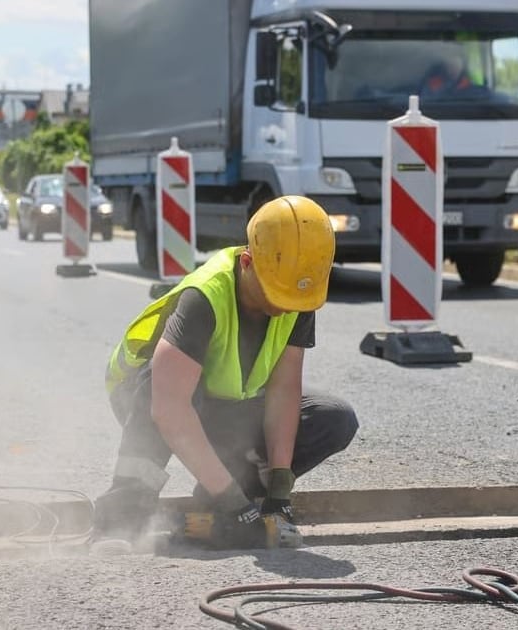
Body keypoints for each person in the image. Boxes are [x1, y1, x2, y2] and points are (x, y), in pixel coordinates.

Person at [91, 196, 359, 554]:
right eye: (276, 295)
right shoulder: (205, 296)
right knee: (168, 387)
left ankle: (225, 504)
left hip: (219, 403)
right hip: (149, 396)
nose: (284, 310)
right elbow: (169, 407)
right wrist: (233, 503)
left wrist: (278, 491)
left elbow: (283, 391)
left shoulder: (297, 290)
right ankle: (123, 515)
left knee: (333, 418)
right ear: (247, 263)